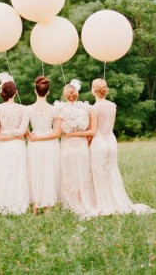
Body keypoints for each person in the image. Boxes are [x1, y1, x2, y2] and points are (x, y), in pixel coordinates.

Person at [89, 78, 156, 215]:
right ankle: (117, 200)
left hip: (98, 142)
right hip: (111, 141)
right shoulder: (112, 106)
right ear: (106, 90)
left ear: (93, 90)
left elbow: (94, 130)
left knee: (98, 171)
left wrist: (87, 143)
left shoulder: (93, 108)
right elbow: (110, 126)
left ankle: (103, 202)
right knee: (111, 170)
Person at [55, 79, 97, 217]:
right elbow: (91, 131)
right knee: (83, 174)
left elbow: (59, 131)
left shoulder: (60, 109)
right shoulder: (86, 108)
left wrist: (71, 133)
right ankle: (84, 200)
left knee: (68, 174)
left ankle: (71, 202)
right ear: (77, 94)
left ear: (65, 94)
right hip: (81, 146)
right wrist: (80, 135)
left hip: (67, 147)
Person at [0, 73, 29, 215]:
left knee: (5, 173)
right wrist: (14, 134)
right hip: (18, 146)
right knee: (17, 174)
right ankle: (17, 204)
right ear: (16, 93)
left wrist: (5, 134)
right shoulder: (23, 109)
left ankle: (3, 204)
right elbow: (21, 131)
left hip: (3, 146)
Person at [27, 76, 61, 214]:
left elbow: (24, 128)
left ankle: (36, 205)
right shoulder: (55, 110)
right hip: (50, 144)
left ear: (35, 91)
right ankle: (47, 206)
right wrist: (42, 137)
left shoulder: (27, 109)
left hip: (34, 143)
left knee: (35, 171)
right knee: (48, 172)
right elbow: (57, 133)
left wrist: (33, 137)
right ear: (48, 92)